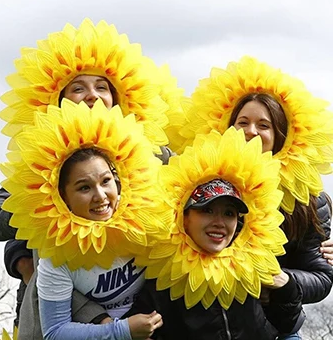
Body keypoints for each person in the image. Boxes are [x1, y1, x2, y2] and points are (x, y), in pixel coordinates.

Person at [0, 20, 178, 339]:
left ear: (118, 98)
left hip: (139, 308)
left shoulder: (154, 154)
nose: (91, 96)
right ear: (57, 99)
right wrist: (41, 212)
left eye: (102, 87)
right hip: (63, 316)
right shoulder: (42, 163)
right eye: (78, 88)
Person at [180, 58, 333, 340]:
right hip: (210, 325)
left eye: (264, 125)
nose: (251, 131)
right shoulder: (197, 183)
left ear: (280, 136)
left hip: (277, 327)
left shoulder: (308, 201)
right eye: (242, 122)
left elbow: (322, 278)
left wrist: (283, 280)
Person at [1, 101, 168, 340]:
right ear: (63, 197)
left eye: (106, 181)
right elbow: (55, 332)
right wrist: (122, 331)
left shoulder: (149, 214)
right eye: (84, 187)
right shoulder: (57, 254)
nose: (100, 196)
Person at [128, 130, 304, 339]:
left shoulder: (252, 268)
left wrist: (286, 287)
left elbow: (288, 324)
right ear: (183, 217)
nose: (219, 223)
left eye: (229, 213)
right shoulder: (163, 282)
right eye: (207, 210)